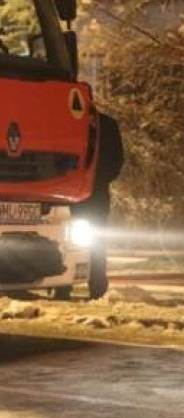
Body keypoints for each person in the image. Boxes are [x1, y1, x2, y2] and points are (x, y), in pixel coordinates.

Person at [73, 111, 124, 299]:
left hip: (95, 196)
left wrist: (93, 180)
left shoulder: (107, 125)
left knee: (96, 243)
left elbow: (115, 161)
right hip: (69, 196)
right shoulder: (65, 119)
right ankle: (63, 286)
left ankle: (97, 286)